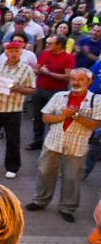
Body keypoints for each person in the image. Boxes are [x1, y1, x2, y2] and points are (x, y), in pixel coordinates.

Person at [26, 68, 101, 223]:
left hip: (77, 146)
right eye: (73, 79)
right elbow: (46, 117)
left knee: (72, 178)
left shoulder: (96, 100)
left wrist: (75, 115)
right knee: (45, 172)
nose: (76, 83)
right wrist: (62, 116)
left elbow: (95, 124)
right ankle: (40, 201)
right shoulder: (59, 96)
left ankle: (67, 208)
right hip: (53, 142)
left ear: (89, 82)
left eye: (80, 79)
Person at [0, 41, 36, 179]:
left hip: (12, 109)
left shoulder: (27, 69)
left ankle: (12, 167)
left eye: (17, 51)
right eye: (11, 51)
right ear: (6, 53)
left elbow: (32, 89)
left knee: (12, 139)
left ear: (21, 53)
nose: (14, 54)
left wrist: (18, 88)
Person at [28, 35, 76, 151]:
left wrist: (50, 74)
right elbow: (35, 70)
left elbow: (68, 76)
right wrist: (40, 70)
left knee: (53, 118)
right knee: (37, 116)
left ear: (59, 45)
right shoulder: (45, 54)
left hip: (56, 92)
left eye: (50, 43)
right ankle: (37, 141)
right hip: (40, 89)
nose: (47, 45)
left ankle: (52, 143)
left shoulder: (68, 58)